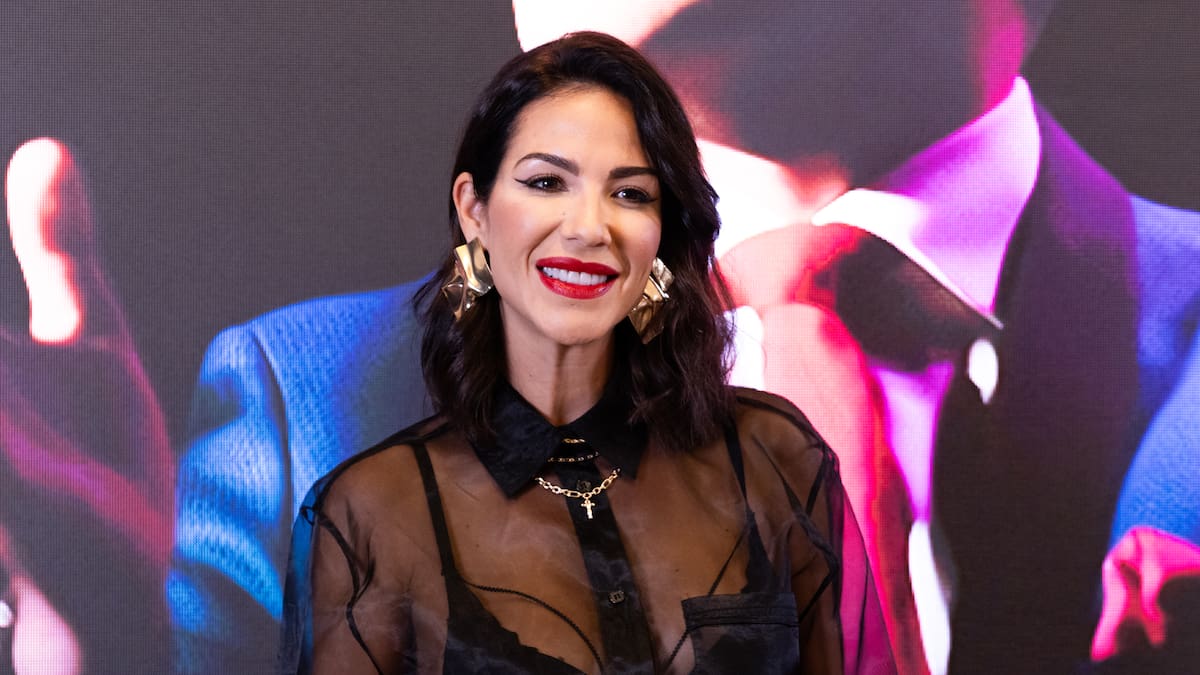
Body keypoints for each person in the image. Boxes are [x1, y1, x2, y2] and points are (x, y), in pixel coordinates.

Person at [277, 32, 895, 674]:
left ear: (661, 232)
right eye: (547, 182)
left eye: (631, 194)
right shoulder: (374, 511)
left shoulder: (773, 459)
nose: (589, 228)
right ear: (474, 210)